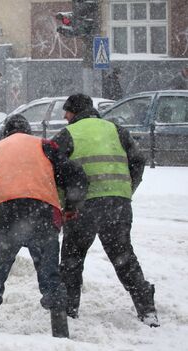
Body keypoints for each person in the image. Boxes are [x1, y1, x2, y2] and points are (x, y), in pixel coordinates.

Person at [0, 114, 88, 338]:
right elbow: (75, 175)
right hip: (41, 213)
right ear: (28, 131)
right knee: (49, 274)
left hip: (3, 213)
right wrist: (72, 206)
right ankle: (60, 330)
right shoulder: (45, 146)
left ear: (5, 132)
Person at [52, 94, 159, 327]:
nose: (64, 116)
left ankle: (68, 310)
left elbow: (54, 169)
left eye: (67, 111)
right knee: (123, 257)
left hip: (83, 207)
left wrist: (66, 201)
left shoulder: (68, 134)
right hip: (118, 204)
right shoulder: (116, 130)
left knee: (72, 258)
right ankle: (147, 309)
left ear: (75, 111)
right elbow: (138, 161)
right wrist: (126, 189)